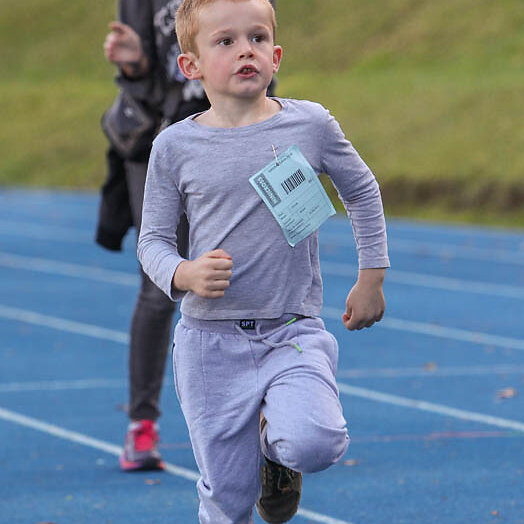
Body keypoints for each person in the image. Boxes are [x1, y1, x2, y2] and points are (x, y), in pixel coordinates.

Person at [138, 0, 390, 521]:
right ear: (191, 65)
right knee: (228, 498)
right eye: (225, 41)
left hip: (291, 331)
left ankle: (277, 452)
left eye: (257, 38)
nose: (245, 51)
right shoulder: (173, 146)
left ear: (275, 57)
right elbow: (153, 242)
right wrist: (184, 272)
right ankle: (257, 461)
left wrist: (371, 277)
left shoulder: (310, 124)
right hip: (209, 345)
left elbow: (362, 191)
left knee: (316, 441)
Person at [96, 0, 210, 471]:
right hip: (156, 139)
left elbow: (260, 47)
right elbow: (140, 77)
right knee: (159, 284)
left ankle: (265, 412)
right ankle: (141, 422)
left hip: (232, 128)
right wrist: (134, 63)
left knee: (251, 267)